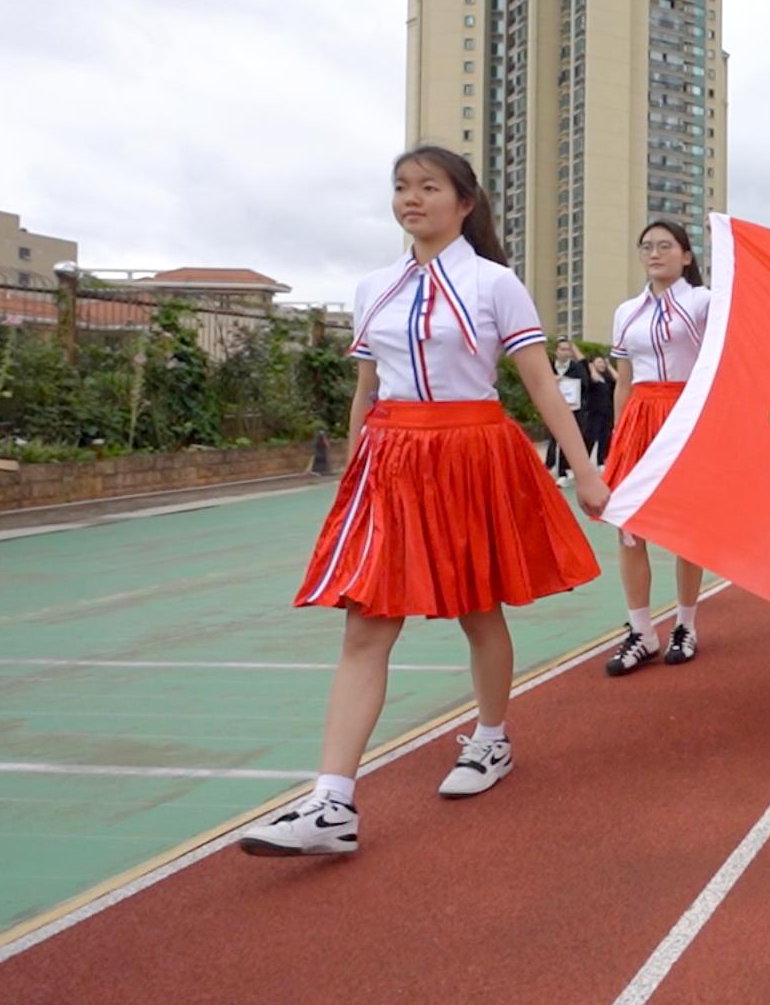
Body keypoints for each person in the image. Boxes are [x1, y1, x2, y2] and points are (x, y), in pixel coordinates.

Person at [241, 146, 607, 859]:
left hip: (469, 453)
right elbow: (365, 388)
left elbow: (536, 384)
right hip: (391, 460)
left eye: (428, 187)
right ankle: (332, 801)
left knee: (478, 608)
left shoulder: (496, 283)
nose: (411, 199)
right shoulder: (372, 286)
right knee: (366, 626)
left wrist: (586, 472)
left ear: (463, 202)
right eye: (401, 187)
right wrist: (354, 473)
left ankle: (492, 739)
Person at [601, 220, 715, 674]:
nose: (655, 253)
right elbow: (623, 382)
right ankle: (642, 630)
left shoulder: (703, 302)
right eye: (646, 246)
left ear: (686, 256)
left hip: (685, 415)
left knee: (688, 527)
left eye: (666, 246)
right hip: (639, 418)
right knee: (628, 525)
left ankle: (686, 623)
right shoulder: (626, 311)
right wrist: (616, 438)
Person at [545, 342, 591, 478]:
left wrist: (566, 380)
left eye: (568, 350)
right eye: (562, 349)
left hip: (573, 408)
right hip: (552, 406)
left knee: (568, 438)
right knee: (553, 437)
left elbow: (585, 384)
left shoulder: (576, 367)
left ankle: (563, 470)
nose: (565, 352)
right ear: (556, 351)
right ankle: (550, 465)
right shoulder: (548, 366)